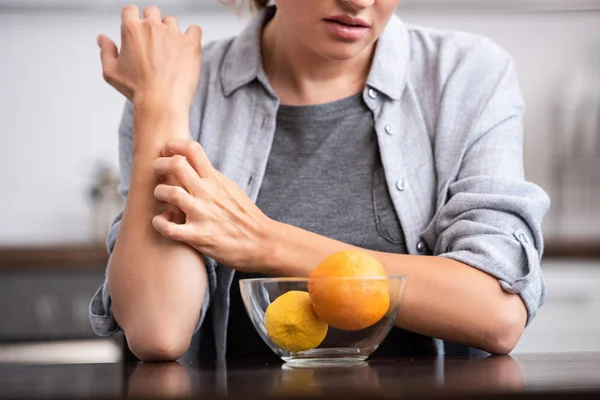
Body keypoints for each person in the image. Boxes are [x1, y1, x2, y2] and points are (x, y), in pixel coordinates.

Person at [89, 0, 550, 362]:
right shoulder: (180, 87)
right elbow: (158, 330)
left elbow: (496, 311)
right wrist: (160, 105)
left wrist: (266, 242)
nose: (359, 1)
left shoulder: (467, 75)